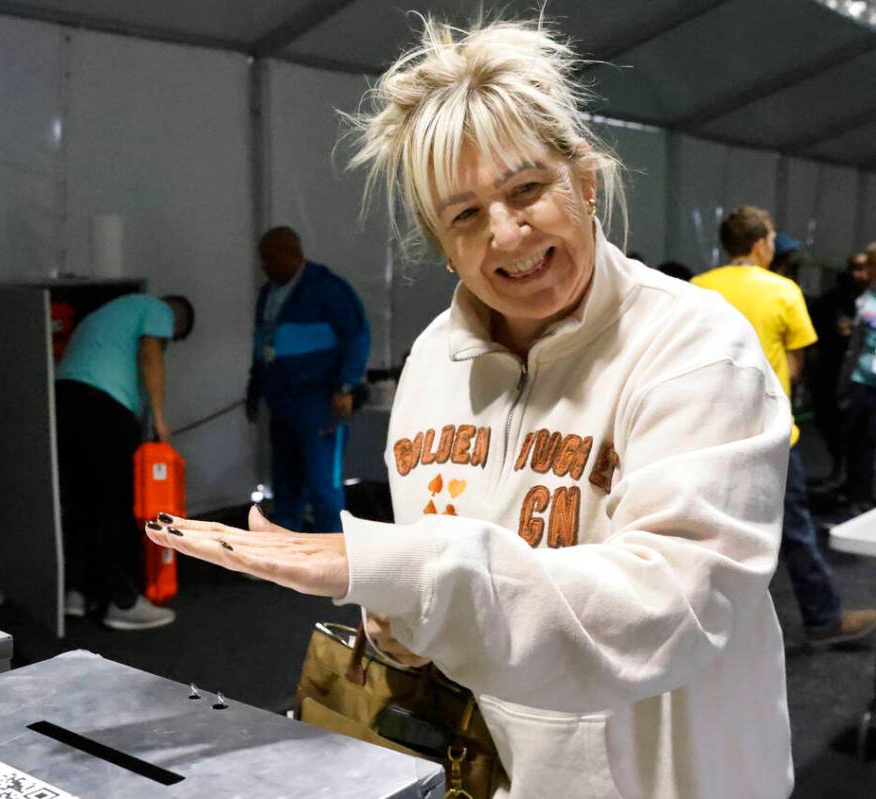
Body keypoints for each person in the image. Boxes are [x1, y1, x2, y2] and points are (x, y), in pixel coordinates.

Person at [151, 17, 799, 797]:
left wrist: (402, 571)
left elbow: (675, 604)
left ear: (584, 180)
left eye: (527, 189)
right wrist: (399, 619)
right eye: (464, 215)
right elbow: (443, 578)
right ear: (442, 242)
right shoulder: (435, 361)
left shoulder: (696, 347)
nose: (506, 232)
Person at [692, 208, 876, 647]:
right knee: (794, 529)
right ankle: (823, 618)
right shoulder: (783, 290)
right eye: (771, 238)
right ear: (760, 244)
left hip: (710, 432)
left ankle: (701, 626)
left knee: (708, 531)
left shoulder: (698, 287)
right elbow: (795, 361)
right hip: (770, 432)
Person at [55, 292, 194, 630]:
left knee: (80, 503)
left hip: (64, 401)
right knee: (115, 505)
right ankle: (124, 602)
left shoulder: (110, 314)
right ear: (176, 320)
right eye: (172, 338)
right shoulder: (158, 310)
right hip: (106, 410)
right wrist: (159, 420)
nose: (167, 343)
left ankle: (76, 592)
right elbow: (150, 356)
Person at [246, 226, 370, 532]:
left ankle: (334, 556)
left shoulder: (326, 288)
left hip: (320, 404)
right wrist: (254, 391)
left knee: (322, 485)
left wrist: (346, 386)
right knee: (286, 484)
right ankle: (289, 558)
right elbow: (261, 345)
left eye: (270, 259)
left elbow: (357, 337)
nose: (264, 267)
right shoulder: (267, 293)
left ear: (293, 254)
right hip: (282, 405)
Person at [811, 249, 871, 488]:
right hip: (832, 372)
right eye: (854, 268)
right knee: (830, 424)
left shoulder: (869, 300)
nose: (859, 274)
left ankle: (856, 482)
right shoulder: (831, 300)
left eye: (863, 268)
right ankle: (840, 471)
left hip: (864, 378)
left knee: (862, 434)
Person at [842, 243, 876, 515]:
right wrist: (844, 381)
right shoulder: (865, 298)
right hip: (861, 380)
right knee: (859, 441)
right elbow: (855, 345)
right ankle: (859, 496)